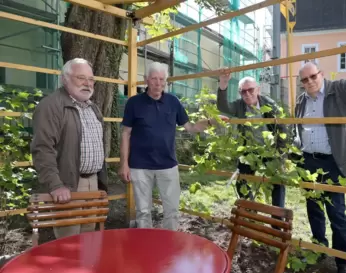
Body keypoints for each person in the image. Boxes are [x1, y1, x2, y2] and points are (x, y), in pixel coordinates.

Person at [293, 62, 346, 273]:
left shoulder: (338, 89)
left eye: (312, 76)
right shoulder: (301, 100)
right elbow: (300, 129)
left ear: (321, 74)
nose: (309, 82)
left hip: (332, 163)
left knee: (336, 213)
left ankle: (344, 265)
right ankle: (319, 248)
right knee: (314, 208)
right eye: (304, 79)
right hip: (308, 161)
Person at [119, 62, 228, 230]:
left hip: (168, 165)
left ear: (166, 81)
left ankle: (171, 249)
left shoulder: (173, 101)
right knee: (143, 211)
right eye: (154, 79)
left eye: (161, 79)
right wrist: (124, 164)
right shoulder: (134, 103)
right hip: (139, 166)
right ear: (146, 80)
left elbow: (190, 128)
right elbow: (126, 133)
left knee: (172, 211)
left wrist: (211, 121)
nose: (158, 83)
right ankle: (144, 247)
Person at [31, 58, 108, 239]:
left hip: (93, 182)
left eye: (91, 79)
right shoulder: (51, 106)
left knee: (89, 236)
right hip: (68, 185)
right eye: (81, 78)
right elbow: (42, 149)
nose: (87, 84)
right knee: (69, 240)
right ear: (65, 79)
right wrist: (56, 185)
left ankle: (86, 268)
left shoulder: (93, 108)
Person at [217, 70, 288, 210]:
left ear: (258, 89)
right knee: (241, 182)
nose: (247, 94)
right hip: (250, 151)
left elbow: (283, 130)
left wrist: (281, 156)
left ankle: (277, 220)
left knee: (278, 182)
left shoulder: (270, 105)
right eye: (243, 91)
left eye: (250, 90)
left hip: (270, 150)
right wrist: (223, 84)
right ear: (240, 93)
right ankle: (251, 213)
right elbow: (223, 107)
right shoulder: (240, 105)